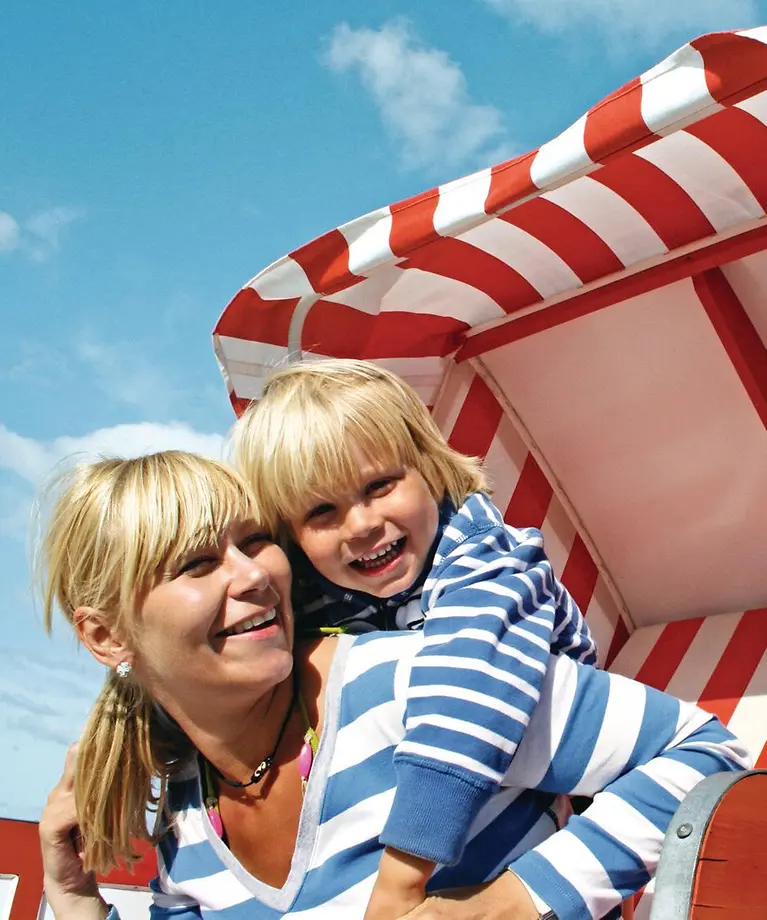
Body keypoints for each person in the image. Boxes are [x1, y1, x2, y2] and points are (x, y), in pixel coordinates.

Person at [38, 451, 749, 920]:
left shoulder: (411, 685)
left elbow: (703, 753)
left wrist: (509, 902)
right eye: (196, 565)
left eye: (255, 541)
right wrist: (73, 900)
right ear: (105, 636)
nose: (253, 575)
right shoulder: (184, 819)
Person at [231, 358, 598, 918]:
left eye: (379, 485)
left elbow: (469, 693)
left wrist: (401, 879)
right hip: (439, 839)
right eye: (322, 511)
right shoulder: (319, 592)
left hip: (538, 802)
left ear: (428, 467)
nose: (361, 525)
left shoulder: (488, 563)